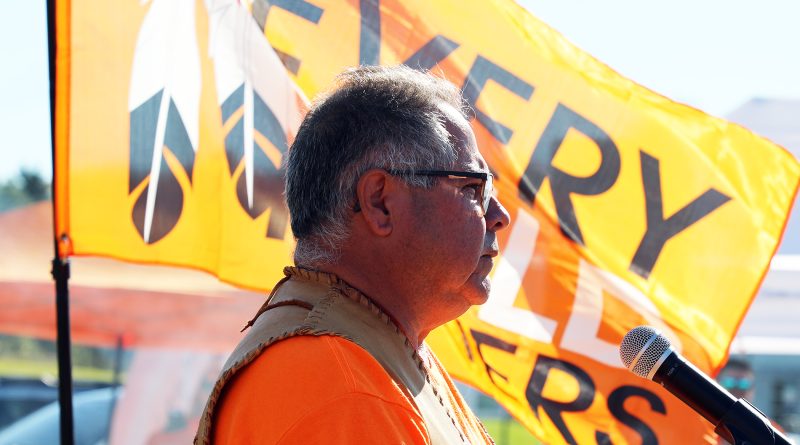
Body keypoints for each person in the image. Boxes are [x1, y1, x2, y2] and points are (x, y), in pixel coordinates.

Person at [194, 65, 511, 444]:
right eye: (473, 188)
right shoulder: (340, 381)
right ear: (380, 202)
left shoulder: (371, 350)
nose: (499, 216)